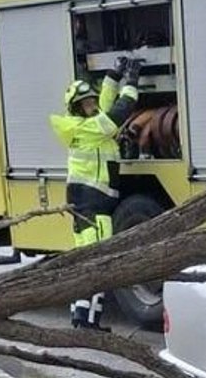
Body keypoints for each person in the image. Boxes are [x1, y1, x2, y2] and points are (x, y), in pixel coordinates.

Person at [51, 57, 142, 329]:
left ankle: (83, 318)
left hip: (88, 203)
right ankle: (87, 323)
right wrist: (132, 83)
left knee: (89, 262)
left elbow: (104, 103)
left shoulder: (84, 122)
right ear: (76, 108)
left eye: (91, 101)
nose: (92, 105)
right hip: (94, 205)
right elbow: (118, 113)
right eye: (86, 103)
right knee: (98, 263)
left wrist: (113, 76)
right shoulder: (90, 128)